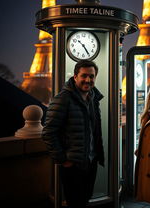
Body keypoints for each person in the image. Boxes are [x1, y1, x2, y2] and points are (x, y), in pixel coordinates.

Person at [42, 60, 104, 208]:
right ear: (75, 77)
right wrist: (63, 160)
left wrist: (95, 157)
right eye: (84, 76)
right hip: (72, 164)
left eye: (91, 76)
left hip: (90, 162)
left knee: (85, 199)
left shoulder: (93, 99)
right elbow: (48, 133)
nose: (88, 80)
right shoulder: (62, 99)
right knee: (75, 203)